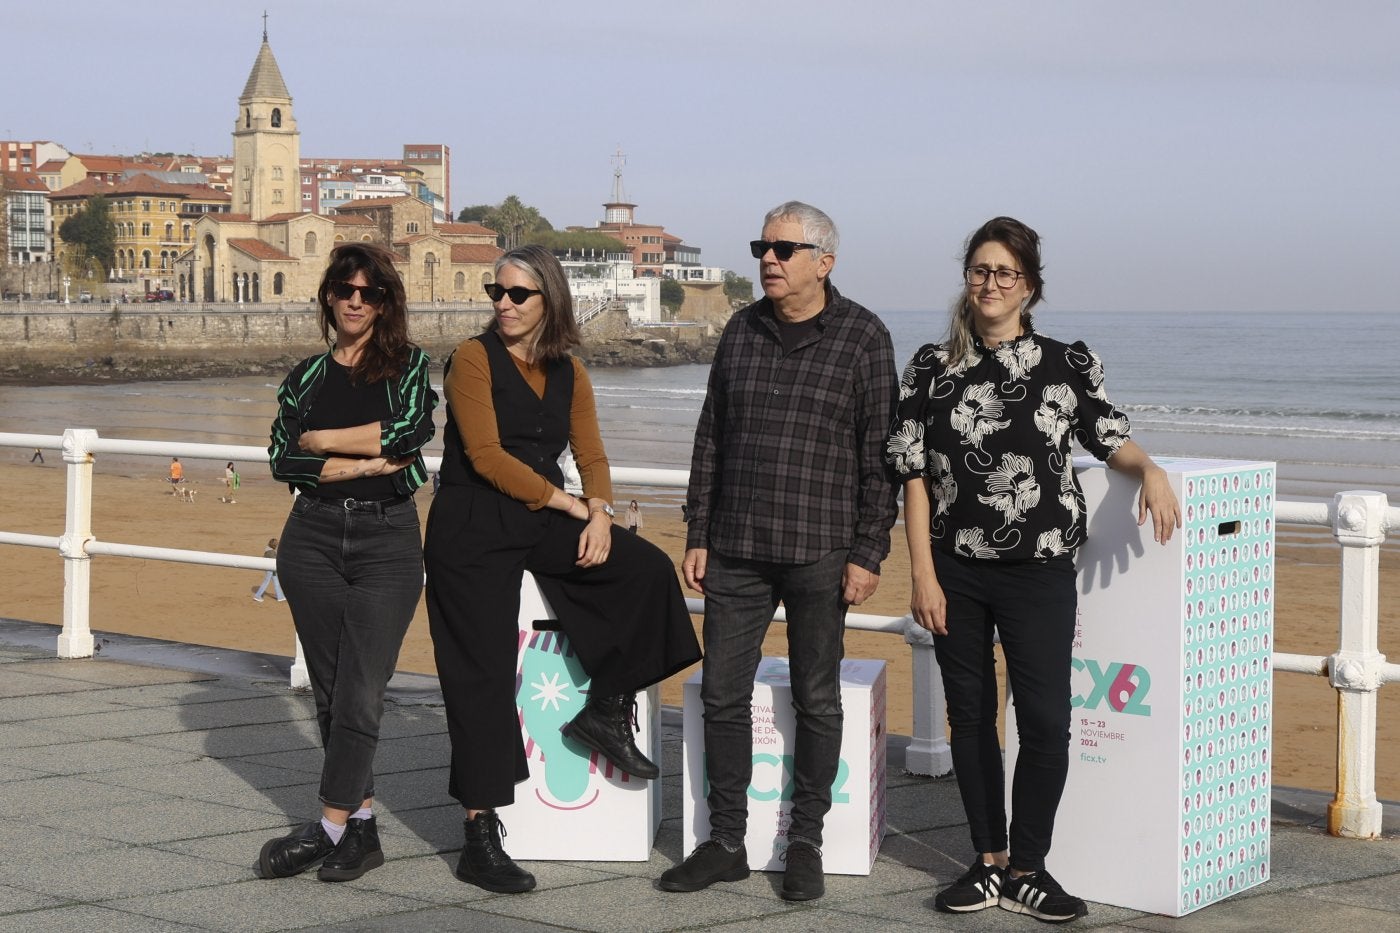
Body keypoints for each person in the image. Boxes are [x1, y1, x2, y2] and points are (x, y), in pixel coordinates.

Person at [887, 216, 1181, 923]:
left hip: (1042, 571)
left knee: (1047, 720)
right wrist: (921, 574)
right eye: (980, 270)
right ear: (968, 278)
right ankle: (986, 860)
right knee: (970, 717)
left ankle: (1028, 865)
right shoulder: (932, 367)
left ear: (1030, 287)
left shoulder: (1065, 364)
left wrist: (1153, 468)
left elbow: (1109, 436)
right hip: (955, 570)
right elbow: (914, 476)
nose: (990, 284)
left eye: (1004, 274)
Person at [424, 244, 701, 894]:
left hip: (542, 511)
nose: (504, 304)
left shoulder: (569, 371)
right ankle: (480, 831)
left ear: (549, 300)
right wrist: (568, 503)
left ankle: (604, 708)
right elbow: (488, 457)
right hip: (472, 520)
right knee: (481, 671)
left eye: (519, 294)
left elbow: (592, 451)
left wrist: (598, 512)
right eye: (497, 292)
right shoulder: (471, 358)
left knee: (646, 569)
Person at [660, 202, 898, 903]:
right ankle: (727, 841)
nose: (769, 257)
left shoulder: (863, 335)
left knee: (817, 697)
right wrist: (697, 529)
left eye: (786, 248)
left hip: (822, 548)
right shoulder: (741, 327)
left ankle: (805, 842)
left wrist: (868, 550)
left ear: (824, 261)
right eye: (763, 244)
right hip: (735, 545)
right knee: (723, 694)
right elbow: (712, 436)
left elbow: (879, 455)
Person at [260, 242, 438, 883]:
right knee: (333, 692)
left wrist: (328, 441)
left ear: (386, 301)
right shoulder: (306, 376)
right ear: (329, 297)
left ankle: (329, 824)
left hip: (387, 540)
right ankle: (361, 829)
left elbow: (411, 432)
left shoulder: (409, 366)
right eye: (345, 290)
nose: (356, 301)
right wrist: (363, 462)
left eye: (370, 292)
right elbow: (284, 458)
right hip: (309, 538)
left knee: (363, 689)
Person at [251, 537, 285, 602]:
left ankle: (280, 597)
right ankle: (257, 596)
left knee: (276, 582)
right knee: (266, 582)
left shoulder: (268, 550)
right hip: (270, 569)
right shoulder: (271, 552)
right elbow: (274, 561)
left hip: (270, 569)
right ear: (274, 545)